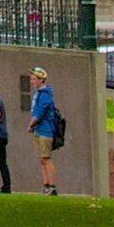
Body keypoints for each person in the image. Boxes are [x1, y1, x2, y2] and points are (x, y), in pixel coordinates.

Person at [28, 65, 66, 194]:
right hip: (39, 130)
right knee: (42, 159)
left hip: (45, 130)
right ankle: (46, 185)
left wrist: (31, 124)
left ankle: (52, 185)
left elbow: (40, 113)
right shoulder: (39, 93)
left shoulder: (45, 95)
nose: (32, 81)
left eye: (34, 79)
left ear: (40, 80)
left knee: (46, 158)